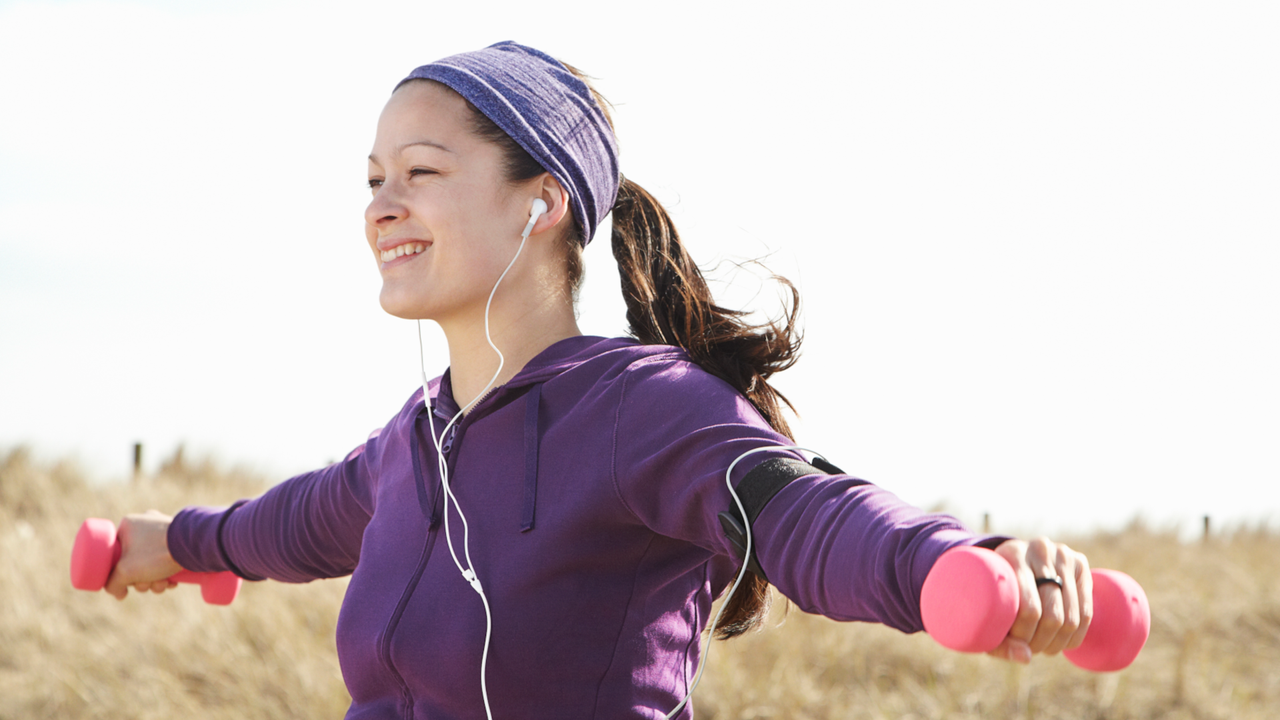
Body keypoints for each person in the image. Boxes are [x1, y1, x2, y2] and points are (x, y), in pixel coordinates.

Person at [105, 41, 1093, 719]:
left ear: (538, 203)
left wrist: (952, 568)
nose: (380, 207)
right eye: (372, 180)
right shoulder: (414, 442)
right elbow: (289, 525)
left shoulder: (644, 411)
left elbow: (800, 512)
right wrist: (171, 543)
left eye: (420, 172)